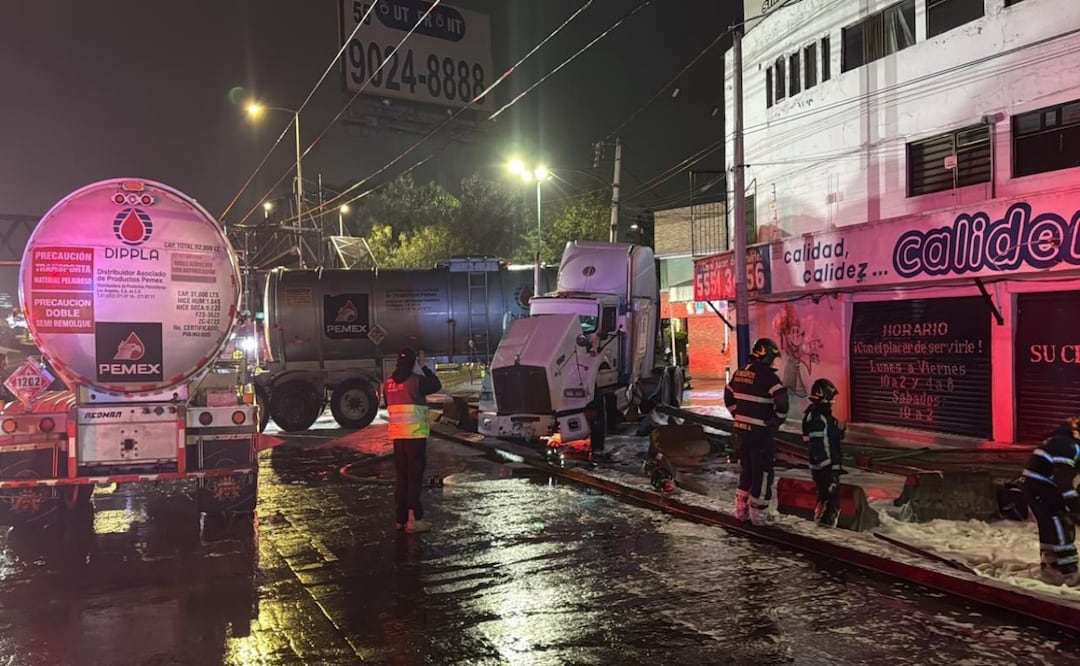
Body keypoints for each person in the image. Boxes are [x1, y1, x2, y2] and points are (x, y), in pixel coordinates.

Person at [724, 337, 789, 525]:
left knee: (747, 470)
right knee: (763, 472)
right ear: (767, 355)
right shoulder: (769, 378)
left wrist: (738, 416)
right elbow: (782, 403)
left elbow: (728, 396)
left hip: (740, 433)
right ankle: (758, 515)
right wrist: (776, 421)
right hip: (760, 434)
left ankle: (741, 510)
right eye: (773, 357)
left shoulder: (739, 373)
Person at [384, 347, 442, 534]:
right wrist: (423, 367)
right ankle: (414, 519)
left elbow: (388, 403)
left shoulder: (388, 383)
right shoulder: (417, 381)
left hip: (397, 437)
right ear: (412, 363)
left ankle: (400, 519)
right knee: (414, 478)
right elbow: (436, 384)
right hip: (415, 436)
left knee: (401, 478)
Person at [1021, 416, 1080, 586]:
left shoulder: (1067, 442)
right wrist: (1074, 503)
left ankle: (1051, 568)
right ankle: (1064, 574)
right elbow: (1064, 479)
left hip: (1041, 488)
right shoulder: (1068, 446)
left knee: (1054, 526)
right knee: (1059, 525)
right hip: (1041, 489)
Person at [802, 378, 844, 528]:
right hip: (825, 468)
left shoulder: (819, 416)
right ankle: (825, 530)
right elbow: (817, 446)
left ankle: (822, 525)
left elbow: (829, 440)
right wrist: (829, 469)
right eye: (831, 398)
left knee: (824, 498)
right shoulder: (818, 418)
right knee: (830, 501)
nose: (833, 402)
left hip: (825, 467)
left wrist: (838, 432)